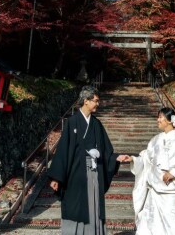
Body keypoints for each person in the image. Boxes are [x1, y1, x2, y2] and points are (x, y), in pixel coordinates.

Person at [48, 85, 132, 234]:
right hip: (74, 175)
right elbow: (63, 150)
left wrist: (116, 158)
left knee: (93, 205)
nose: (98, 104)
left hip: (93, 174)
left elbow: (106, 151)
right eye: (95, 101)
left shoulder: (97, 124)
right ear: (86, 101)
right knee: (74, 206)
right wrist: (56, 177)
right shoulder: (72, 122)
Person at [131, 107, 175, 235]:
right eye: (158, 117)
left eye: (160, 117)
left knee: (172, 226)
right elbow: (146, 158)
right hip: (155, 189)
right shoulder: (155, 140)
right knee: (151, 225)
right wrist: (133, 159)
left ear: (169, 120)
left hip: (172, 191)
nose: (158, 120)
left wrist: (173, 173)